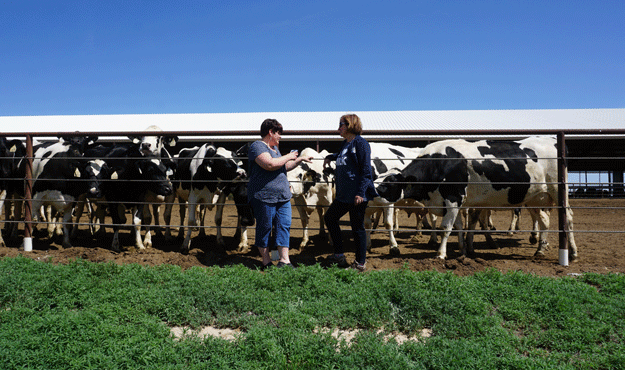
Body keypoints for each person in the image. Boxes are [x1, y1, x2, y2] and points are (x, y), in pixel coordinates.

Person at [248, 118, 313, 269]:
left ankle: (285, 261)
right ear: (270, 132)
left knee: (284, 225)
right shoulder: (257, 146)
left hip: (283, 196)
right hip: (264, 197)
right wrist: (288, 156)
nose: (280, 136)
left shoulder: (275, 150)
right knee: (265, 227)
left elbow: (283, 166)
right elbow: (270, 164)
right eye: (279, 133)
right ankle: (266, 262)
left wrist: (299, 159)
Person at [323, 114, 378, 272]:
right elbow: (343, 157)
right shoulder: (345, 144)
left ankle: (360, 264)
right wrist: (329, 157)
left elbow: (366, 170)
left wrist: (360, 193)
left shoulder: (361, 144)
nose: (339, 128)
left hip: (356, 196)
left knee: (357, 228)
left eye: (342, 125)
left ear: (351, 125)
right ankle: (339, 255)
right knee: (330, 218)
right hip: (343, 195)